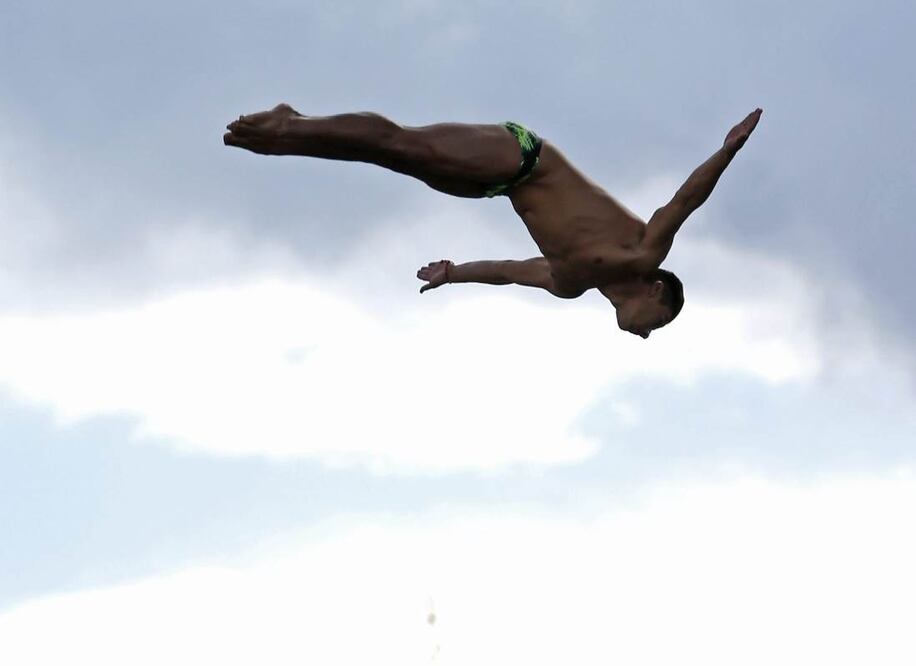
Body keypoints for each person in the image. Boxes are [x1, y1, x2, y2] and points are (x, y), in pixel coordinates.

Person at [224, 105, 762, 338]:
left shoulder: (569, 284)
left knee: (393, 156)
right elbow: (686, 199)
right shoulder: (643, 253)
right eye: (656, 323)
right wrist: (729, 148)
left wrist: (453, 273)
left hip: (496, 184)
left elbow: (508, 270)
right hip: (522, 156)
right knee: (403, 144)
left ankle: (289, 134)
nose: (645, 333)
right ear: (655, 291)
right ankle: (292, 127)